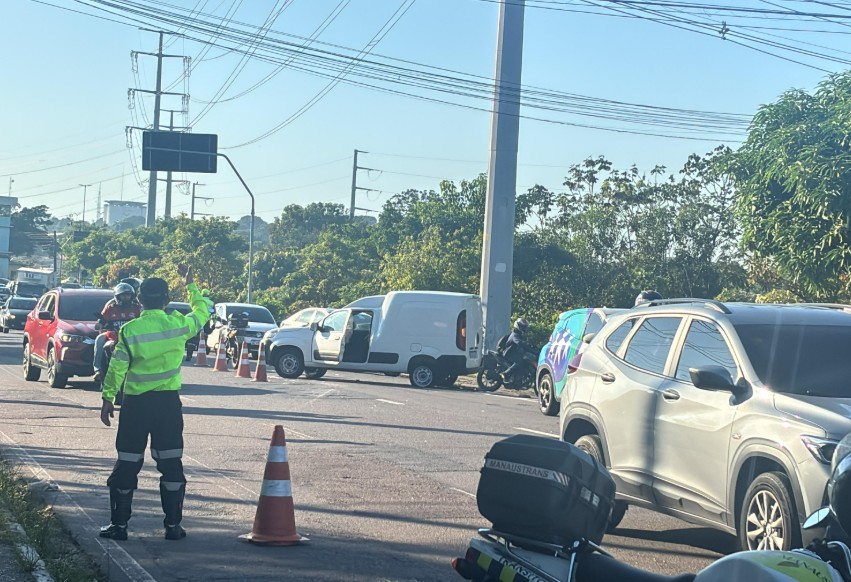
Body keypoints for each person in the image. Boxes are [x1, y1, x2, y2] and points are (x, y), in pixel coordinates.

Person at [99, 267, 211, 541]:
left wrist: (108, 398)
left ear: (139, 300)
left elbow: (117, 367)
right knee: (171, 463)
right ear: (167, 300)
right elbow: (204, 311)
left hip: (136, 405)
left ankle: (119, 526)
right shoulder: (179, 324)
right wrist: (192, 286)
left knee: (127, 462)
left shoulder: (130, 330)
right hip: (167, 406)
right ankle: (173, 526)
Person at [93, 282, 141, 382]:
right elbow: (100, 322)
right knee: (99, 339)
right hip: (112, 337)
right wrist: (100, 324)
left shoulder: (137, 308)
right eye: (123, 295)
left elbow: (143, 322)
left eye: (128, 295)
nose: (126, 298)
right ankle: (98, 370)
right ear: (117, 296)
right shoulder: (110, 308)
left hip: (131, 339)